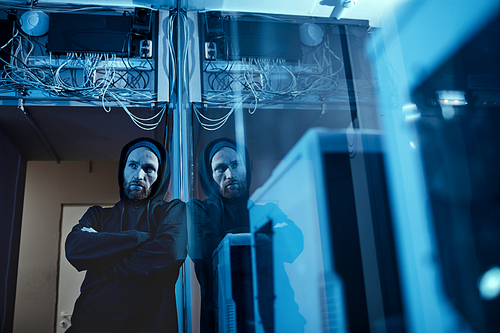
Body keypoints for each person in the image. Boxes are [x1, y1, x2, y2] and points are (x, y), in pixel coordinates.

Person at [65, 137, 187, 333]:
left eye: (149, 169)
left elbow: (170, 252)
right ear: (123, 170)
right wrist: (139, 238)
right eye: (132, 165)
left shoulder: (172, 211)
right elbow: (74, 248)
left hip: (149, 326)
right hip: (88, 324)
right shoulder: (98, 215)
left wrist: (102, 263)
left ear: (160, 175)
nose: (139, 174)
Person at [188, 138, 254, 333]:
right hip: (219, 318)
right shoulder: (197, 210)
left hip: (267, 312)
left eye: (235, 165)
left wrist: (230, 243)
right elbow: (211, 253)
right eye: (221, 168)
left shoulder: (264, 209)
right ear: (210, 175)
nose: (230, 174)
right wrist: (261, 245)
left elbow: (295, 246)